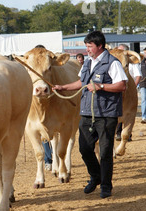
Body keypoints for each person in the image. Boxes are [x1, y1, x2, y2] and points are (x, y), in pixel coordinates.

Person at [52, 31, 127, 199]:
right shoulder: (87, 63)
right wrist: (63, 87)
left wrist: (101, 87)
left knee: (106, 151)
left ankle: (106, 186)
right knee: (85, 149)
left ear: (99, 46)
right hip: (87, 113)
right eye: (86, 46)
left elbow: (122, 86)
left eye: (89, 46)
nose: (87, 49)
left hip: (106, 114)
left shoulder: (112, 63)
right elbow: (82, 83)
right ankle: (96, 176)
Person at [115, 44, 141, 141]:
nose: (118, 52)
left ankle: (126, 136)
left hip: (128, 89)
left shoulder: (133, 64)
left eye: (120, 50)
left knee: (129, 114)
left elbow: (138, 76)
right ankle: (117, 135)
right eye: (117, 50)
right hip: (116, 90)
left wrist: (133, 87)